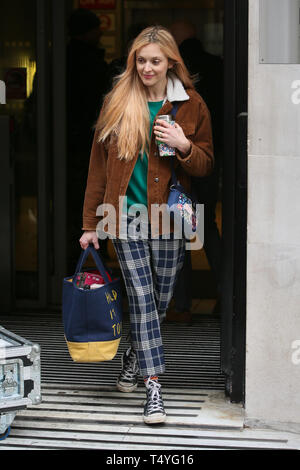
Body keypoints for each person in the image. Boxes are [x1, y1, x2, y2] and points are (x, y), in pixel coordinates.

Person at [79, 25, 214, 424]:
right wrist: (91, 223)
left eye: (155, 61)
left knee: (158, 301)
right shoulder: (117, 103)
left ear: (171, 61)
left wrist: (185, 145)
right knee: (140, 298)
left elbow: (206, 164)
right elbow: (97, 169)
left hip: (168, 218)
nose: (147, 68)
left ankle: (135, 355)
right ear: (132, 61)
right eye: (141, 60)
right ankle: (154, 388)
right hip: (123, 218)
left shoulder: (190, 105)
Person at [167, 21, 223, 321]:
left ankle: (182, 304)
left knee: (178, 229)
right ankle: (228, 296)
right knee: (207, 228)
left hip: (180, 169)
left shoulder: (175, 77)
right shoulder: (218, 66)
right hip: (211, 158)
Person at [66, 8, 110, 272]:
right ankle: (95, 268)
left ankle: (73, 263)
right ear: (91, 31)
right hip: (88, 145)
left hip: (66, 147)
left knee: (74, 205)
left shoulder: (56, 61)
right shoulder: (95, 65)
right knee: (95, 199)